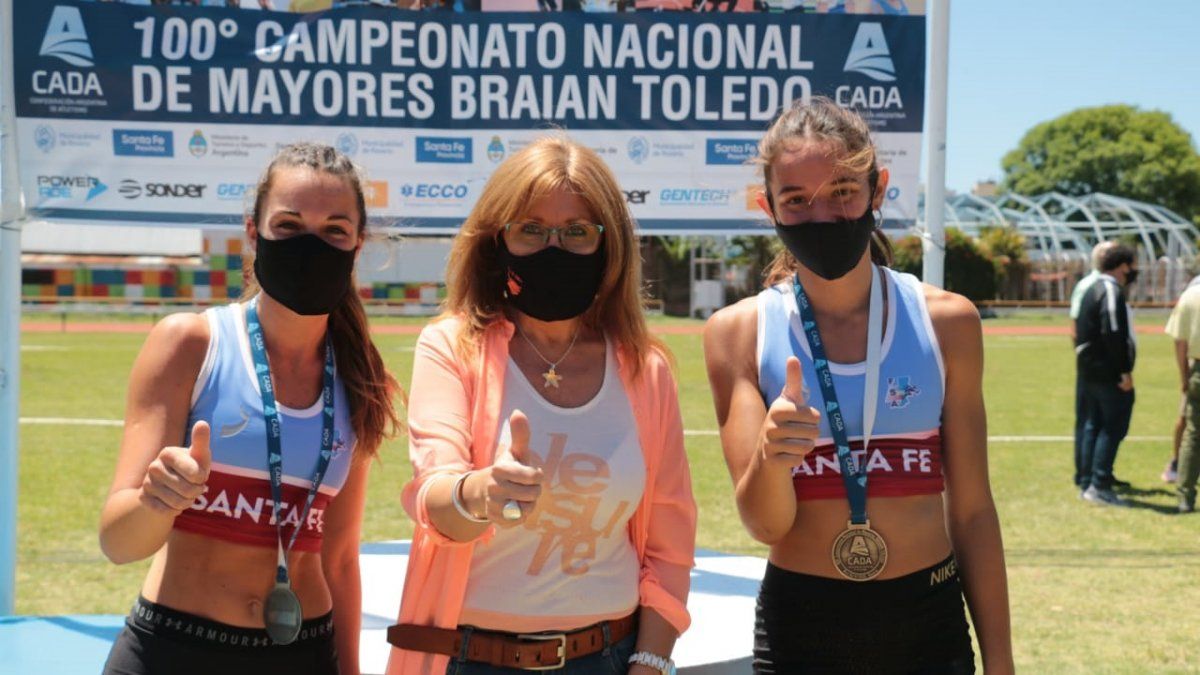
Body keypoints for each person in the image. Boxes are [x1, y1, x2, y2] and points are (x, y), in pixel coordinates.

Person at [703, 98, 1013, 674]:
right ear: (768, 207)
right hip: (802, 630)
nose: (822, 215)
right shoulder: (738, 332)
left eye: (843, 191)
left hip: (929, 623)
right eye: (797, 200)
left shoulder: (948, 322)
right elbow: (766, 526)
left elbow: (972, 512)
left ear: (878, 189)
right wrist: (772, 456)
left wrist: (1002, 663)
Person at [386, 136, 696, 675]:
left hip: (609, 658)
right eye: (530, 229)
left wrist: (651, 663)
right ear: (496, 242)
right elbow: (434, 496)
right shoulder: (451, 347)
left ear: (609, 246)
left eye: (577, 231)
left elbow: (670, 543)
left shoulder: (646, 370)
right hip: (471, 660)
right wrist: (479, 493)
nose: (554, 248)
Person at [99, 143, 402, 675]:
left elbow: (339, 558)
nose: (310, 245)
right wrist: (157, 500)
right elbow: (118, 541)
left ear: (357, 246)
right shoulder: (190, 343)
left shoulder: (359, 373)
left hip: (304, 653)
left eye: (334, 230)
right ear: (253, 233)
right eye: (289, 225)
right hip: (175, 649)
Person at [1074, 243, 1139, 507]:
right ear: (1122, 266)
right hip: (1106, 371)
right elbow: (1112, 331)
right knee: (1113, 425)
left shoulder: (1093, 288)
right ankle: (1099, 485)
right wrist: (1123, 371)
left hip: (1090, 369)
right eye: (1131, 266)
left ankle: (1088, 481)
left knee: (1094, 424)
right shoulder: (1110, 291)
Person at [1164, 278, 1200, 512]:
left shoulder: (1190, 296)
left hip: (1198, 368)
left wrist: (1184, 375)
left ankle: (1185, 496)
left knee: (1193, 435)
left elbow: (1180, 343)